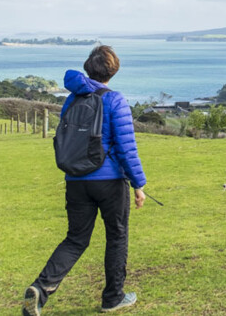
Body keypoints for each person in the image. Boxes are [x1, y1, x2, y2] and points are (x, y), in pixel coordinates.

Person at [23, 45, 148, 315]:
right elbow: (127, 147)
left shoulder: (72, 98)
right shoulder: (115, 99)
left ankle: (41, 288)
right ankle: (113, 297)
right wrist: (138, 183)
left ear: (88, 68)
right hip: (110, 180)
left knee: (75, 239)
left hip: (76, 179)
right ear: (113, 70)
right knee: (117, 236)